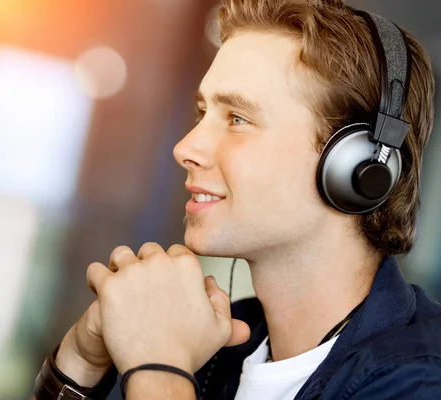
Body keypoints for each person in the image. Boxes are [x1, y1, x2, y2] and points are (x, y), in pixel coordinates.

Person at [34, 0, 441, 399]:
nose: (185, 147)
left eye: (237, 119)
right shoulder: (214, 344)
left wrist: (160, 366)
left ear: (359, 165)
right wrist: (81, 364)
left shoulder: (420, 380)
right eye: (201, 113)